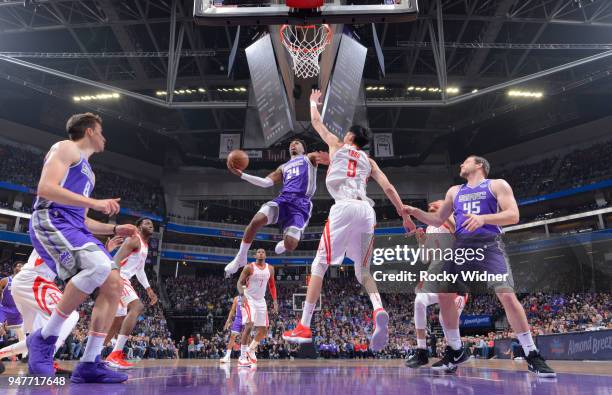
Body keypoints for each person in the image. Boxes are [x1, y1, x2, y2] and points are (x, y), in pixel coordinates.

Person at [282, 89, 416, 352]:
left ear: (350, 136)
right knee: (362, 270)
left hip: (343, 207)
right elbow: (388, 189)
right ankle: (378, 308)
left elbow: (317, 123)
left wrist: (312, 102)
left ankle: (304, 325)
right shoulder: (370, 161)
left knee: (319, 264)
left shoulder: (336, 144)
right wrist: (405, 216)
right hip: (366, 210)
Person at [403, 155, 556, 377]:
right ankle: (455, 349)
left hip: (488, 245)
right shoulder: (454, 191)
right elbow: (437, 220)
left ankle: (532, 354)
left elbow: (513, 215)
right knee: (444, 294)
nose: (461, 164)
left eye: (465, 161)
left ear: (479, 165)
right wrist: (415, 212)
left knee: (507, 296)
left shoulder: (497, 185)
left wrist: (484, 219)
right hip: (461, 248)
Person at [26, 112, 137, 382]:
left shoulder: (89, 173)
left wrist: (112, 229)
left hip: (72, 227)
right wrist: (96, 203)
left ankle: (89, 362)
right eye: (101, 131)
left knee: (113, 282)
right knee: (100, 265)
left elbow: (82, 220)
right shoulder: (65, 148)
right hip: (49, 220)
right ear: (89, 131)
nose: (104, 137)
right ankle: (44, 339)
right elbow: (45, 188)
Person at [225, 140, 329, 276]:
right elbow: (265, 183)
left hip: (301, 204)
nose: (293, 144)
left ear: (303, 149)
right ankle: (241, 256)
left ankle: (285, 243)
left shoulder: (308, 158)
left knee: (291, 245)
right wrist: (241, 174)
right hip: (283, 200)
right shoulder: (283, 167)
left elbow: (325, 157)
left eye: (297, 143)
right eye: (291, 143)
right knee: (256, 220)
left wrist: (329, 158)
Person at [406, 200, 468, 369]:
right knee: (419, 301)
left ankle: (454, 353)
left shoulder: (454, 219)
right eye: (430, 209)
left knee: (443, 317)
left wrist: (443, 215)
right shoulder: (430, 228)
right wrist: (421, 241)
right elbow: (426, 258)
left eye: (436, 208)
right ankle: (422, 351)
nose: (431, 210)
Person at [0, 250, 84, 375]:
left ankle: (4, 354)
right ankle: (45, 359)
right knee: (70, 314)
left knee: (40, 336)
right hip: (33, 280)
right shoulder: (62, 234)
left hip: (28, 284)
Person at [103, 217, 158, 369]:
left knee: (119, 319)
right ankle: (116, 354)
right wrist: (116, 280)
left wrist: (148, 289)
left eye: (152, 224)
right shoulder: (134, 239)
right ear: (138, 227)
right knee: (137, 307)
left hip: (121, 278)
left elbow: (139, 270)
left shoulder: (145, 245)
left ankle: (95, 353)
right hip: (118, 277)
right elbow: (116, 259)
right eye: (147, 223)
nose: (150, 225)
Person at [236, 249, 278, 367]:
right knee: (249, 325)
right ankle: (242, 357)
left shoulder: (270, 268)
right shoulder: (249, 267)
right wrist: (242, 295)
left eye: (263, 252)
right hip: (248, 298)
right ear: (255, 255)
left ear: (265, 255)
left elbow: (272, 285)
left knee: (264, 331)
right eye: (258, 252)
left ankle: (251, 349)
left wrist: (275, 301)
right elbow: (239, 283)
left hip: (261, 300)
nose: (260, 253)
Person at [0, 262, 26, 355]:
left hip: (17, 310)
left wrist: (23, 312)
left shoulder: (25, 283)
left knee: (22, 334)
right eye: (19, 265)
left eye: (23, 266)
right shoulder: (5, 280)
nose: (21, 267)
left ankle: (24, 356)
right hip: (4, 308)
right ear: (14, 268)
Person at [220, 295, 243, 364]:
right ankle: (227, 356)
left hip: (247, 318)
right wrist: (228, 320)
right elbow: (232, 310)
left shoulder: (250, 296)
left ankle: (247, 355)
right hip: (238, 318)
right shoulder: (236, 298)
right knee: (232, 336)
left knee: (247, 337)